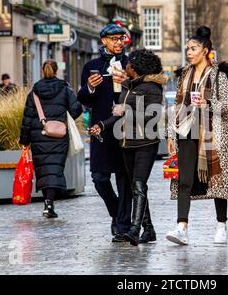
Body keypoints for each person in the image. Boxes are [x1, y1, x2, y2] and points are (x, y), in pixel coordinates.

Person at [166, 26, 228, 245]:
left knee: (217, 181)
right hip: (187, 131)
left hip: (213, 134)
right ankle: (182, 228)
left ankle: (221, 225)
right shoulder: (184, 75)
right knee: (183, 180)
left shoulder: (218, 76)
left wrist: (208, 103)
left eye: (193, 48)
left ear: (205, 50)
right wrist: (171, 134)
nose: (189, 52)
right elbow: (177, 106)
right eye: (187, 48)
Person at [90, 49, 167, 246]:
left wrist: (127, 110)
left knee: (139, 185)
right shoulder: (129, 86)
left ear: (136, 67)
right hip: (126, 142)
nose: (126, 65)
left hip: (146, 143)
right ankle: (149, 230)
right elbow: (118, 114)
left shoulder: (152, 88)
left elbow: (152, 115)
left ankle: (134, 230)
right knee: (136, 188)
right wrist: (102, 125)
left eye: (129, 63)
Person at [77, 24, 132, 242]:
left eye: (121, 39)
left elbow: (142, 92)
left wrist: (126, 81)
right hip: (101, 129)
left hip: (126, 127)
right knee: (99, 177)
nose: (119, 42)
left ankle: (123, 225)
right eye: (114, 39)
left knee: (124, 178)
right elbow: (82, 98)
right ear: (104, 41)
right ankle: (117, 211)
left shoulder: (130, 64)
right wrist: (90, 87)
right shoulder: (92, 66)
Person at [19, 60, 82, 218]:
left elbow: (26, 119)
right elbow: (76, 109)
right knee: (55, 168)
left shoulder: (34, 92)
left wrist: (24, 141)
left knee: (44, 170)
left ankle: (47, 203)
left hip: (39, 136)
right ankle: (49, 202)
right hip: (59, 136)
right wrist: (64, 117)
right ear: (56, 71)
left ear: (42, 71)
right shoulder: (65, 89)